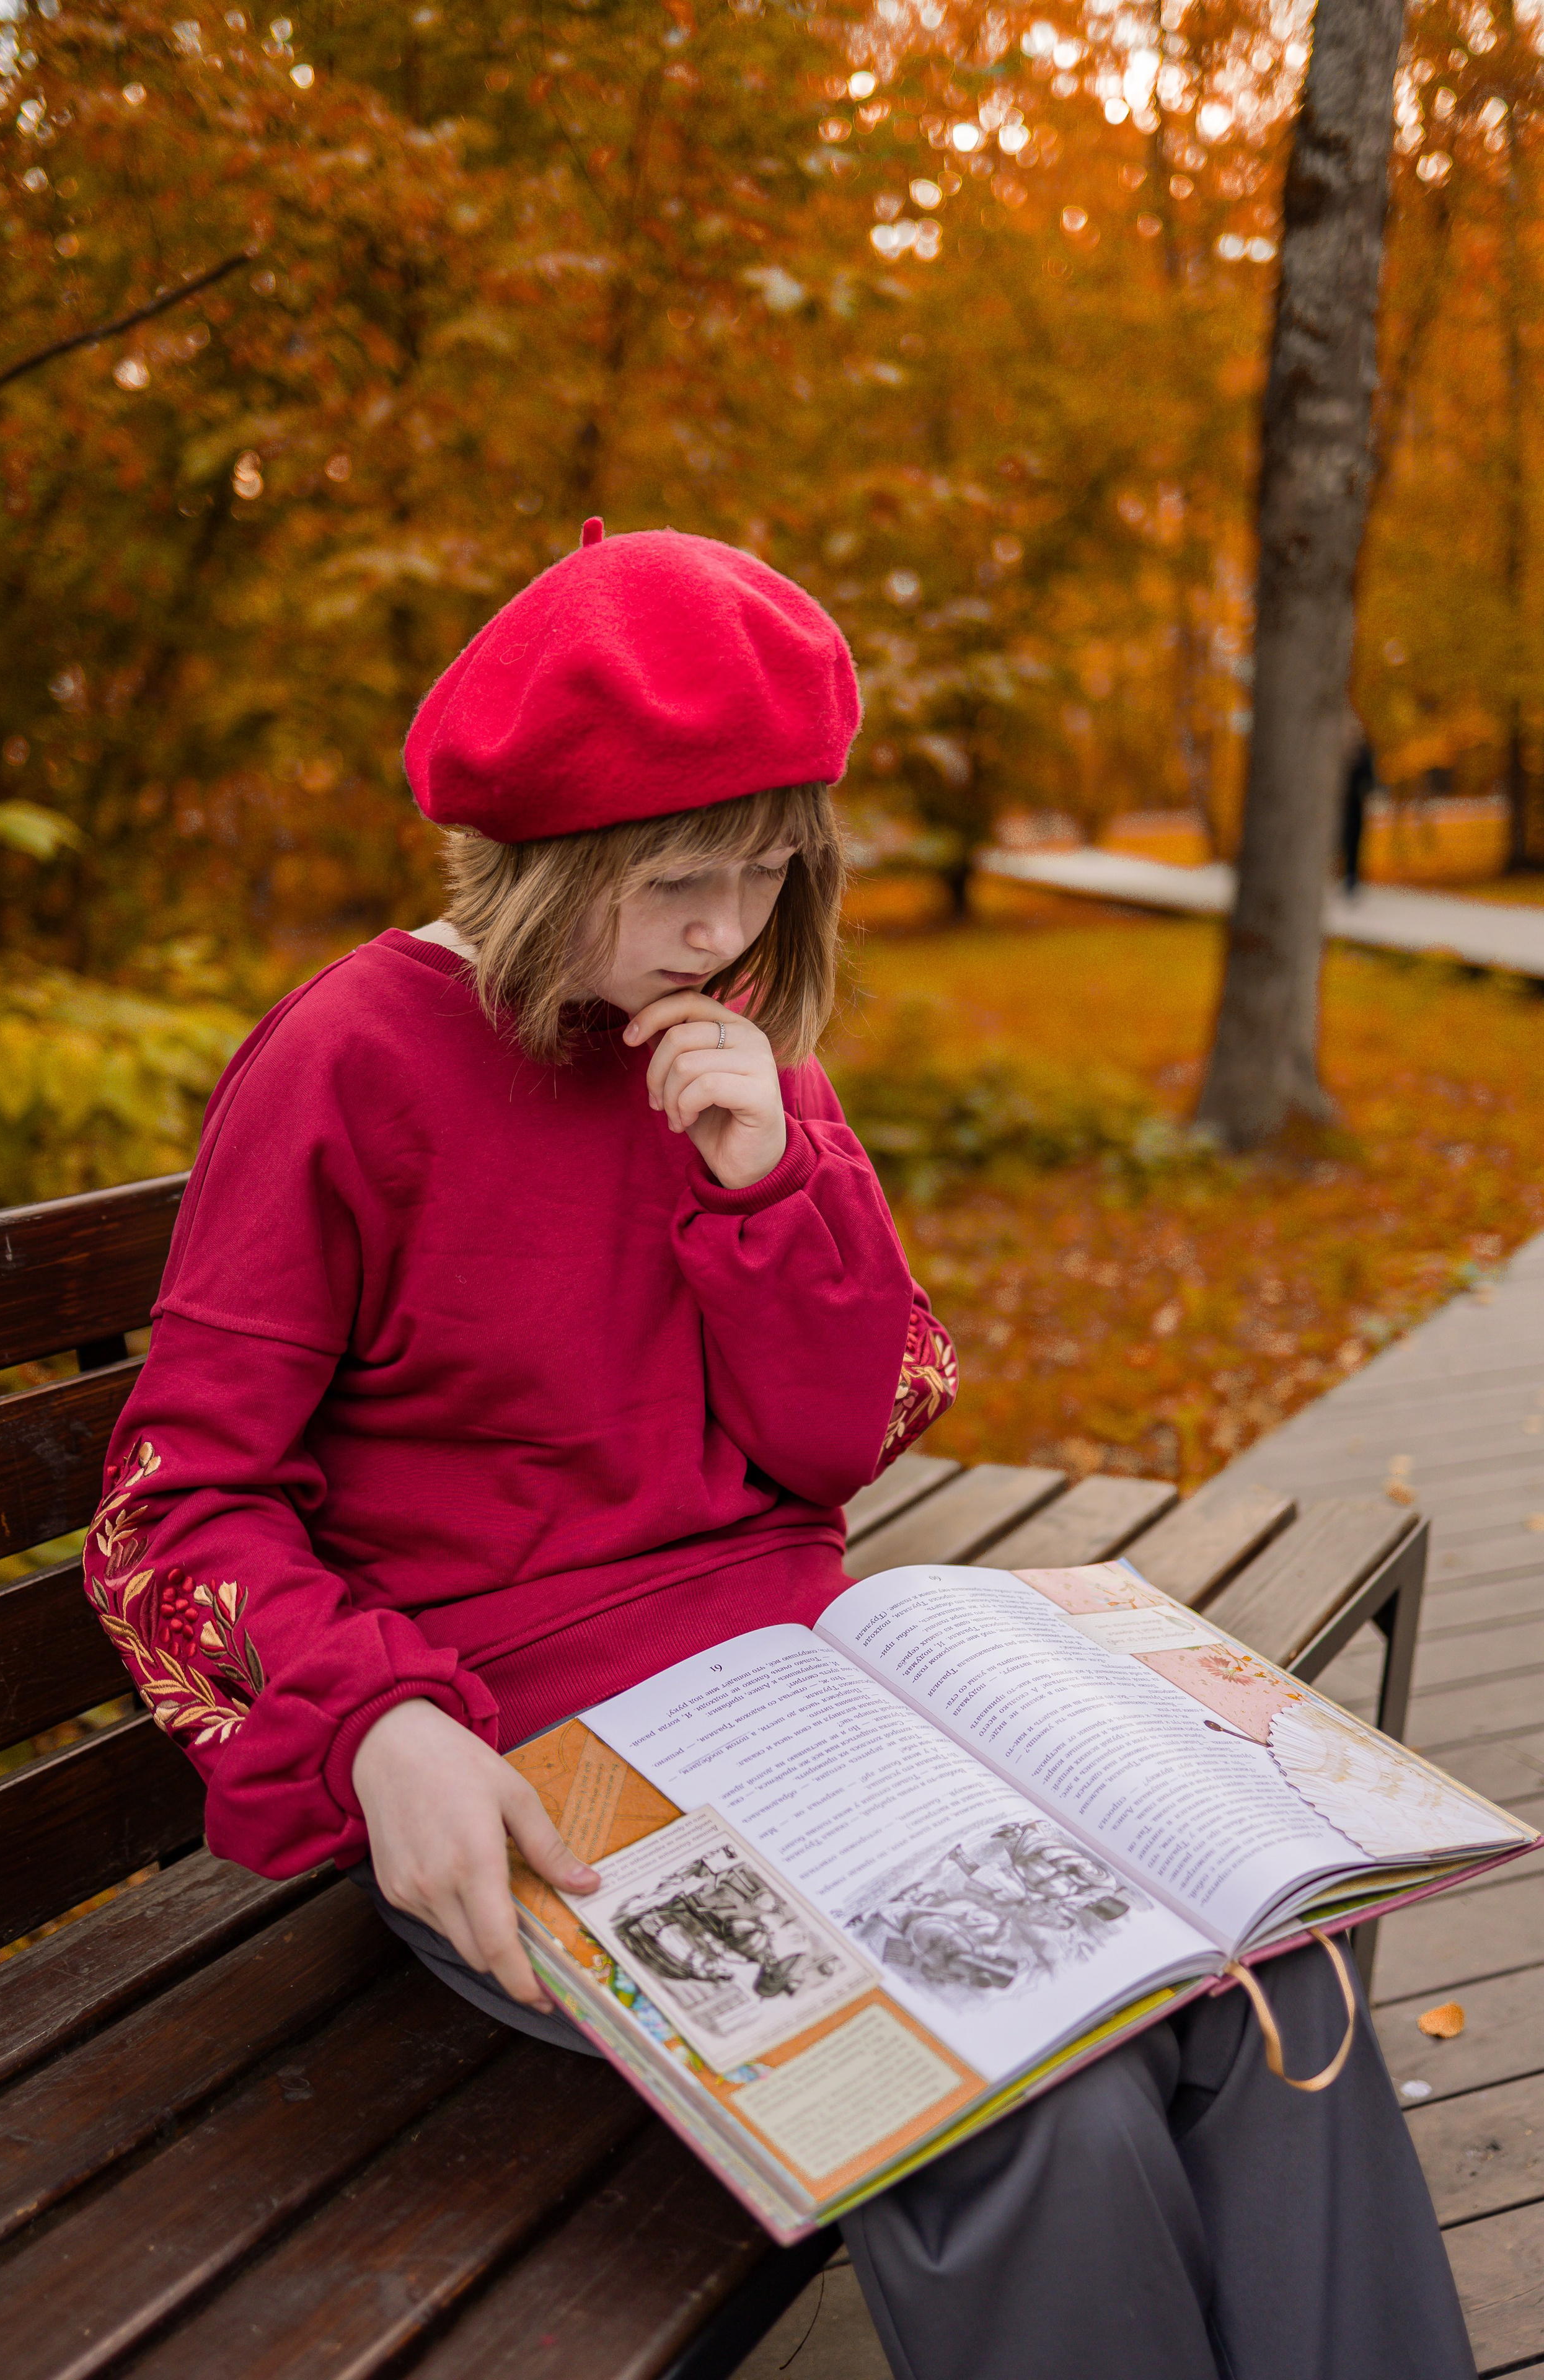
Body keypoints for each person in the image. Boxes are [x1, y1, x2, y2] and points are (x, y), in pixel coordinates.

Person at [84, 524, 1475, 2380]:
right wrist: (375, 1720)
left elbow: (840, 1435)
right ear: (540, 856)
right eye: (675, 880)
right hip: (522, 1762)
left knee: (1259, 1980)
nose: (725, 930)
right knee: (1022, 2095)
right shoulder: (347, 1060)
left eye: (765, 871)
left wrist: (773, 1177)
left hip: (824, 1712)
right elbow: (172, 1508)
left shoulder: (732, 1055)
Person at [1341, 717, 1376, 895]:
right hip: (1340, 806)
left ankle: (1352, 877)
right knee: (1340, 841)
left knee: (1354, 841)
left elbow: (1370, 779)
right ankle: (1340, 875)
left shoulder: (1364, 753)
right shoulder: (1340, 754)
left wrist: (1365, 788)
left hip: (1355, 805)